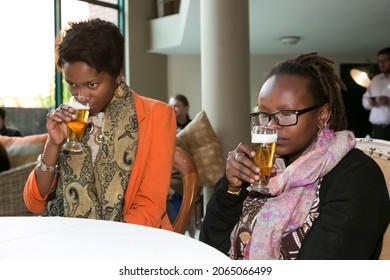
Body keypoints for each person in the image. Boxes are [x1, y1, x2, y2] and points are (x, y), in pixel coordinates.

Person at [199, 52, 390, 259]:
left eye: (287, 114)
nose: (272, 126)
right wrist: (230, 188)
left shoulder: (356, 177)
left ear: (322, 115)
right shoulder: (259, 167)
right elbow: (209, 249)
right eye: (264, 114)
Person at [23, 18, 177, 229]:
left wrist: (102, 247)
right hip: (68, 237)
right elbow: (35, 202)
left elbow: (149, 206)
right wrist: (53, 144)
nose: (81, 95)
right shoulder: (70, 118)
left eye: (92, 85)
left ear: (118, 74)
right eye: (72, 85)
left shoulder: (157, 115)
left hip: (132, 243)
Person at [166, 94, 192, 224]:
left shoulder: (193, 128)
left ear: (186, 108)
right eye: (170, 105)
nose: (172, 108)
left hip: (185, 176)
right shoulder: (165, 125)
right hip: (169, 175)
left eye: (176, 106)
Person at [362, 47, 390, 140]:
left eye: (385, 60)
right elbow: (365, 99)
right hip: (377, 129)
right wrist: (370, 102)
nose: (381, 64)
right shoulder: (375, 79)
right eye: (379, 61)